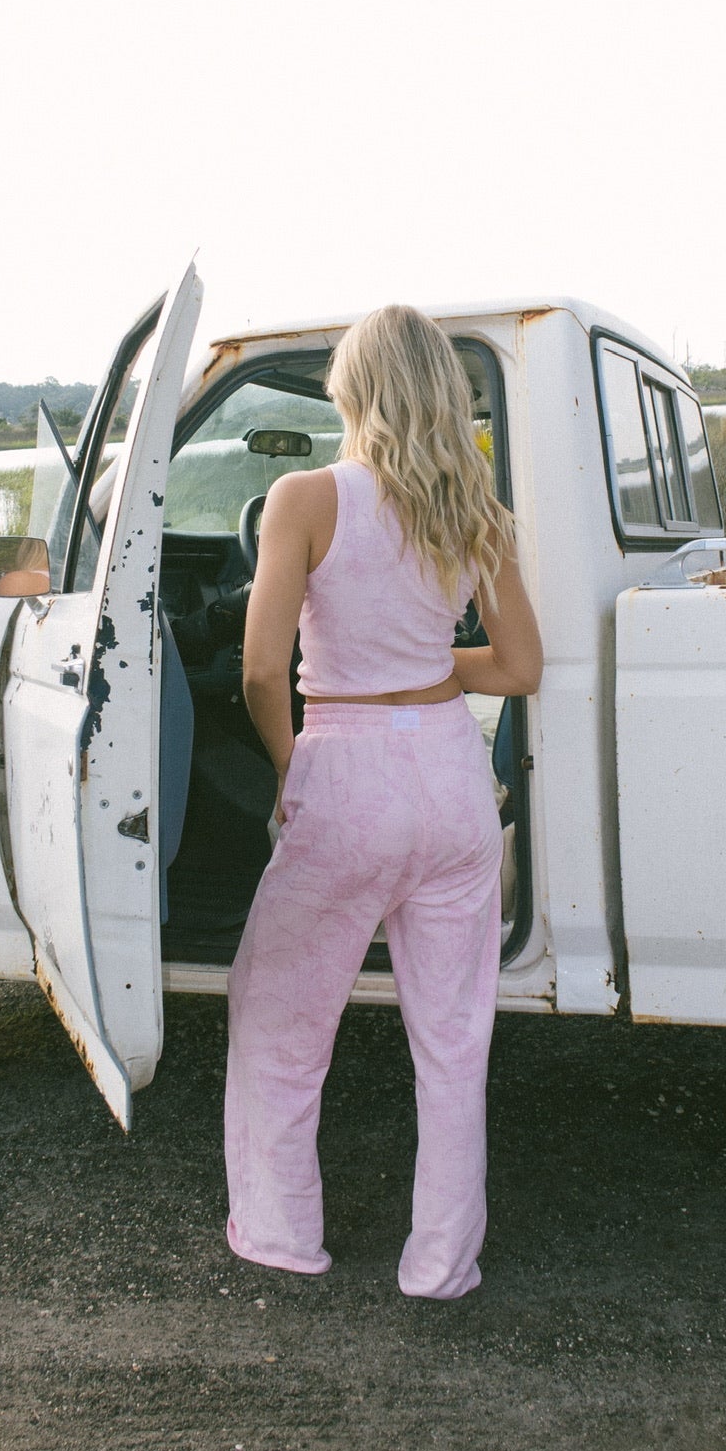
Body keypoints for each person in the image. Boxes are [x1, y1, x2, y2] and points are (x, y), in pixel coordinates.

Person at [224, 304, 543, 1299]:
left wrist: (290, 767)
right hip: (451, 782)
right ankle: (441, 1264)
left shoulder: (305, 498)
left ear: (348, 390)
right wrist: (432, 676)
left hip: (349, 773)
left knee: (280, 1018)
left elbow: (263, 672)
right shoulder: (474, 511)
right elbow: (523, 667)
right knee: (452, 1042)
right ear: (444, 391)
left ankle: (283, 1236)